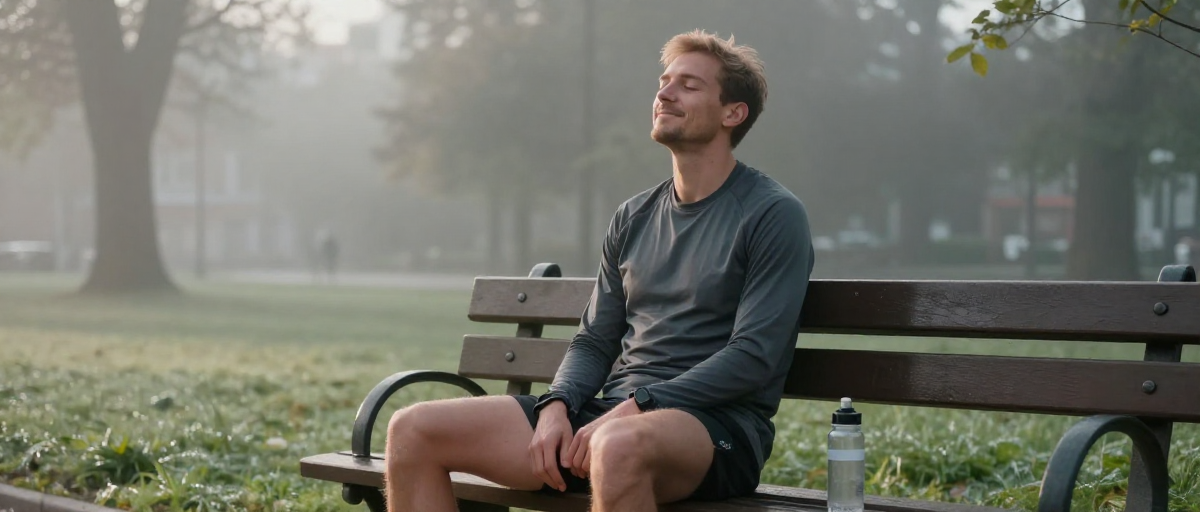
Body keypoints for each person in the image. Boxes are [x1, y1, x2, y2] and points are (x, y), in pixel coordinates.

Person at [383, 30, 814, 512]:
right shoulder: (633, 216)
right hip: (610, 415)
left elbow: (754, 356)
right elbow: (594, 340)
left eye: (689, 85)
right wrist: (557, 405)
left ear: (733, 113)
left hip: (716, 427)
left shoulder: (771, 213)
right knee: (413, 429)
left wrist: (640, 405)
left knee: (618, 447)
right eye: (664, 81)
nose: (665, 93)